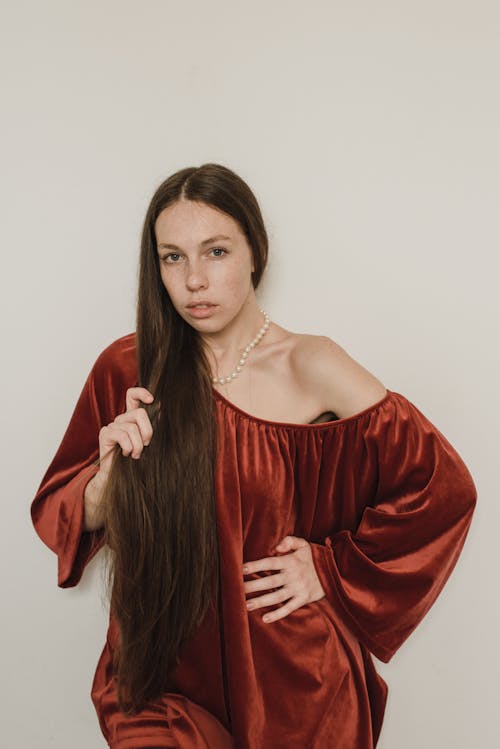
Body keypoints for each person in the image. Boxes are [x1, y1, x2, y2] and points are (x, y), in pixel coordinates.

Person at [30, 163, 477, 749]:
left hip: (294, 690)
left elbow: (442, 487)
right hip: (160, 681)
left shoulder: (312, 365)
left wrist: (330, 570)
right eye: (173, 257)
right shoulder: (129, 368)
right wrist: (105, 483)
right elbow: (58, 511)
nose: (194, 280)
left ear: (255, 254)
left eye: (215, 252)